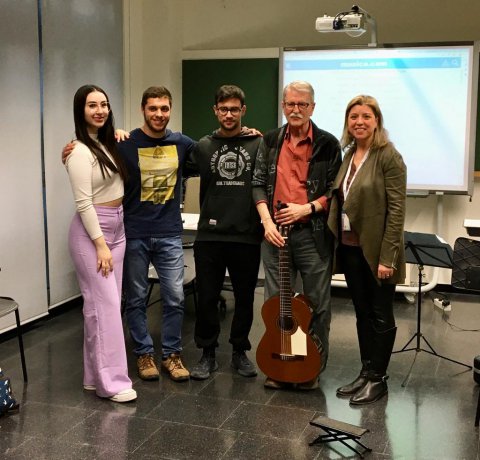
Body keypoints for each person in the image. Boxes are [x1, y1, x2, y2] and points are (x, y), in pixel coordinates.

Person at [64, 86, 194, 383]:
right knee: (134, 298)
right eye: (153, 108)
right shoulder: (125, 142)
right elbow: (93, 149)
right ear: (143, 110)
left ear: (170, 110)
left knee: (174, 296)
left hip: (169, 233)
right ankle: (143, 353)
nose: (158, 114)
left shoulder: (183, 143)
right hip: (132, 232)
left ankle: (172, 354)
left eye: (164, 108)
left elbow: (213, 153)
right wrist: (69, 150)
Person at [252, 80, 342, 390]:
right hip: (275, 233)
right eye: (290, 103)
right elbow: (257, 183)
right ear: (283, 106)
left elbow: (335, 192)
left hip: (313, 234)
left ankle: (309, 369)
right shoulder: (272, 140)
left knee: (316, 304)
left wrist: (306, 209)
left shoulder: (328, 144)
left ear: (312, 107)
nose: (295, 109)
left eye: (302, 104)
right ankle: (279, 366)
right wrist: (267, 222)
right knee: (277, 303)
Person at [327, 95, 406, 405]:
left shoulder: (388, 155)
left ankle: (378, 379)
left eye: (366, 116)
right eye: (353, 116)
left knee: (380, 313)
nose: (359, 122)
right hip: (350, 248)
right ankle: (366, 371)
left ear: (377, 121)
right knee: (361, 312)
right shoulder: (349, 155)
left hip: (377, 252)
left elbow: (397, 210)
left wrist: (388, 257)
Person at [65, 84, 136, 403]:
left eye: (104, 104)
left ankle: (94, 376)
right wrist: (100, 245)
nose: (100, 110)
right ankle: (113, 382)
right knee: (105, 308)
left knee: (99, 308)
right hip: (94, 234)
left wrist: (117, 132)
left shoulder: (105, 143)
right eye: (92, 105)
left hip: (117, 229)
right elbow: (83, 204)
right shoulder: (79, 150)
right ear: (81, 110)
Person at [189, 85, 263, 380]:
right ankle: (207, 353)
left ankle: (239, 352)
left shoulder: (259, 144)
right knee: (206, 296)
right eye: (223, 109)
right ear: (215, 111)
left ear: (243, 111)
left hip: (246, 235)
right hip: (209, 235)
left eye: (234, 109)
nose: (229, 114)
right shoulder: (202, 146)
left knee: (245, 297)